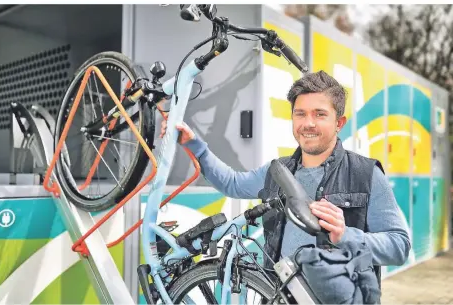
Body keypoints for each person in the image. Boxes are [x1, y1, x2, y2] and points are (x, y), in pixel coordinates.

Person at [160, 70, 411, 284]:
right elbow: (232, 183)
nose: (308, 123)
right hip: (278, 295)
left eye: (320, 114)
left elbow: (399, 247)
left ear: (339, 123)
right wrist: (195, 145)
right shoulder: (277, 172)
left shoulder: (365, 174)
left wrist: (346, 236)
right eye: (300, 113)